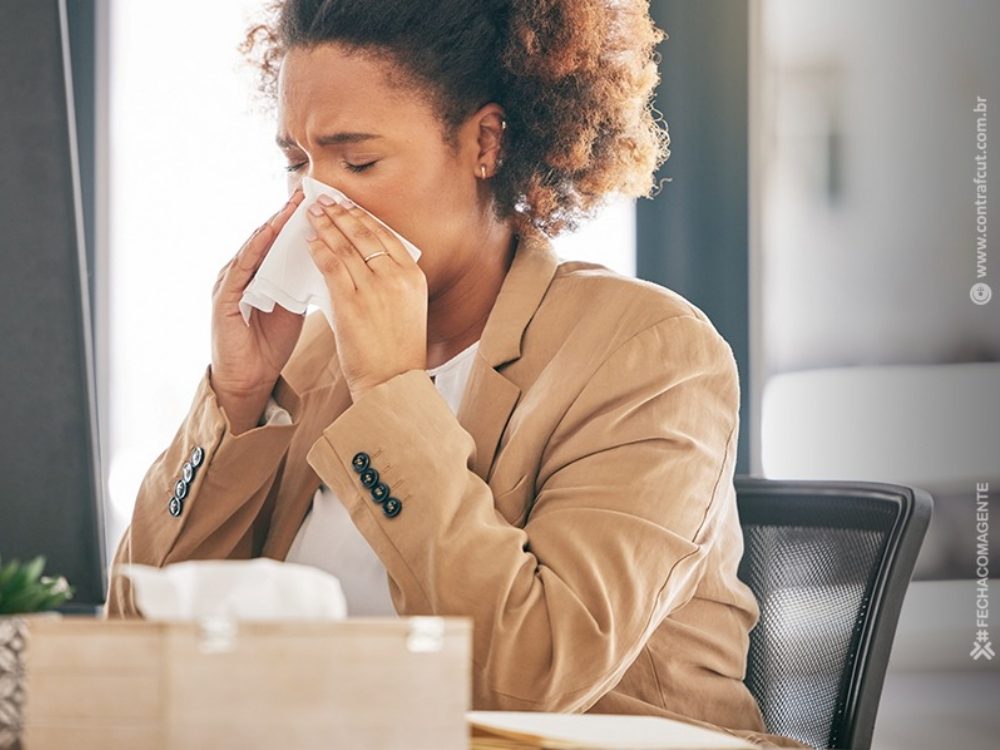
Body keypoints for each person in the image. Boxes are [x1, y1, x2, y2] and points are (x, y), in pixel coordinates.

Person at [104, 1, 808, 747]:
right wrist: (236, 399)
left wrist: (389, 393)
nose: (312, 204)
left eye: (357, 162)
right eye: (297, 165)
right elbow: (131, 650)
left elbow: (528, 678)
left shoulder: (649, 353)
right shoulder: (308, 359)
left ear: (484, 143)